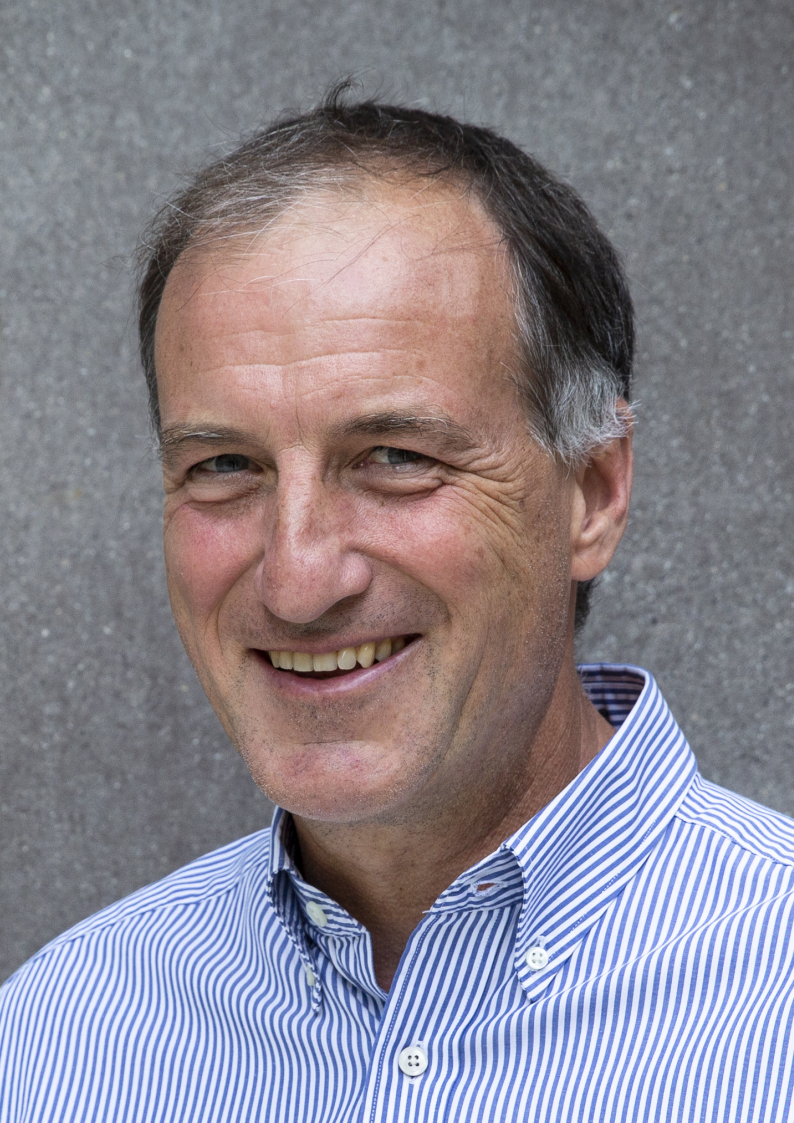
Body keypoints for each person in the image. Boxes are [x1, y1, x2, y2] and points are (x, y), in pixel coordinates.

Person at [1, 90, 792, 1123]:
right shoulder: (57, 1042)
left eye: (394, 457)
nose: (296, 580)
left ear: (591, 495)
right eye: (225, 466)